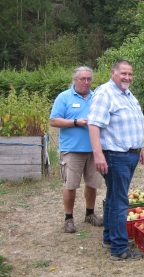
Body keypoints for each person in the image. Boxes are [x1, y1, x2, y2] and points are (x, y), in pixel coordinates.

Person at [88, 60, 144, 261]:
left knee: (114, 198)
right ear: (113, 73)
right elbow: (94, 125)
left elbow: (133, 122)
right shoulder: (105, 93)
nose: (127, 77)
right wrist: (98, 154)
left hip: (130, 153)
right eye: (123, 73)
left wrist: (140, 147)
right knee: (120, 201)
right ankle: (119, 249)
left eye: (130, 74)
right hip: (115, 156)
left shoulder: (127, 94)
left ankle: (110, 238)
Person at [50, 66, 103, 234]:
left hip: (94, 150)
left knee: (92, 184)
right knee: (71, 185)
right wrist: (75, 122)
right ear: (75, 80)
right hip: (72, 150)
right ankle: (68, 218)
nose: (86, 82)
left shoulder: (97, 97)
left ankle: (90, 214)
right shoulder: (64, 97)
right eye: (83, 79)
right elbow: (53, 121)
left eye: (89, 79)